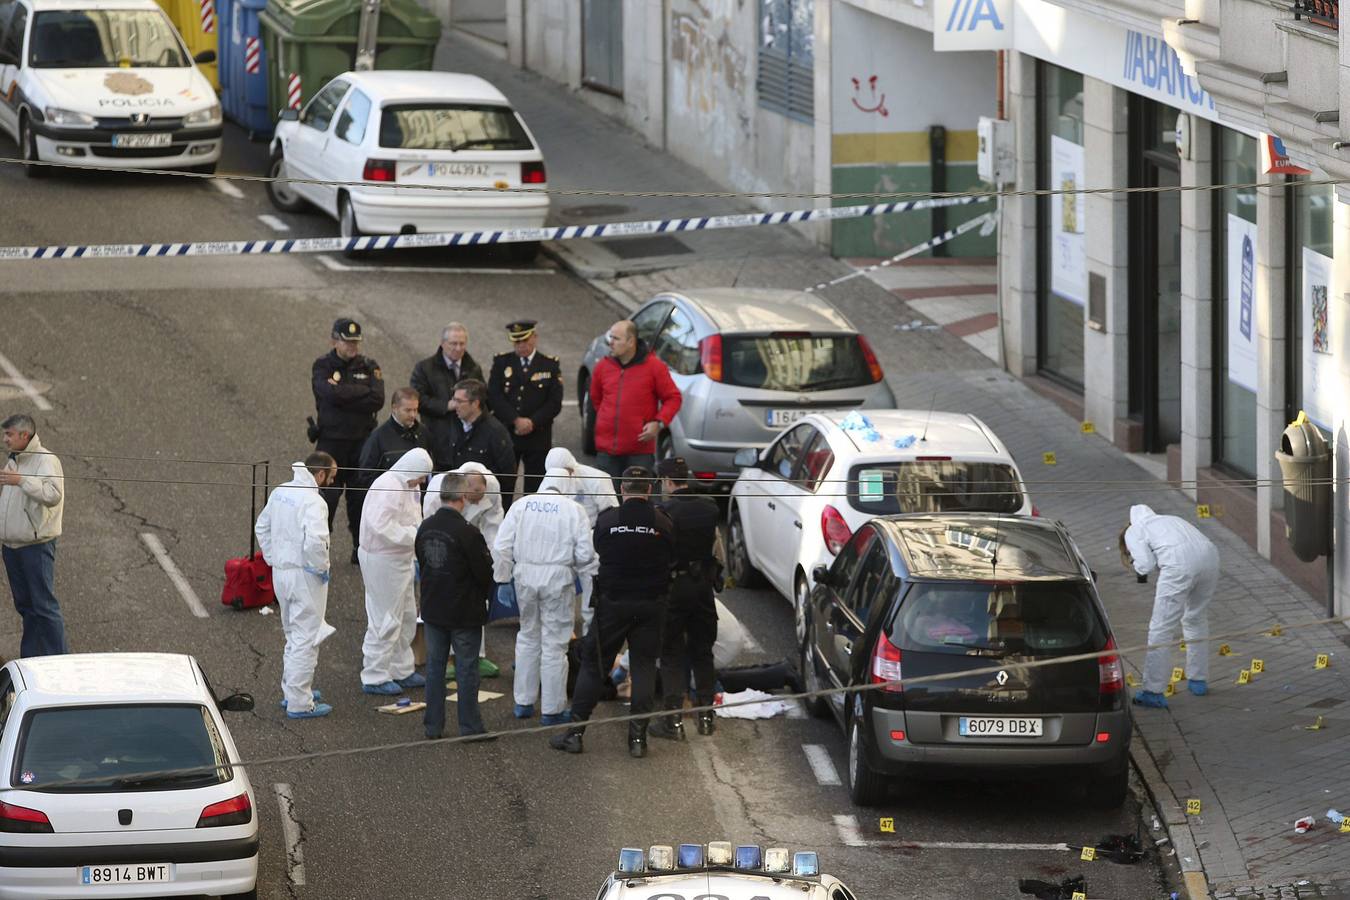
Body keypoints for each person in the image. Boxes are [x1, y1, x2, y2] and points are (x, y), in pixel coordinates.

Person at [550, 466, 675, 758]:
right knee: (644, 667)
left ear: (622, 490)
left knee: (595, 666)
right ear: (648, 490)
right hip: (651, 604)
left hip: (613, 604)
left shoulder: (608, 520)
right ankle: (638, 740)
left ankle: (575, 734)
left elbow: (598, 548)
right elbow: (672, 553)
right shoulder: (663, 522)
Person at [494, 467, 596, 725]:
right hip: (558, 580)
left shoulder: (522, 505)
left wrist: (503, 579)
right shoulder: (574, 510)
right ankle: (552, 708)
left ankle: (523, 702)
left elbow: (502, 545)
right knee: (554, 644)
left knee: (528, 637)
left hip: (524, 578)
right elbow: (585, 554)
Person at [254, 452, 339, 719]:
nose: (332, 482)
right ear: (321, 474)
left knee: (292, 632)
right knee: (307, 637)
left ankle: (292, 690)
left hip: (281, 573)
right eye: (332, 477)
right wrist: (321, 567)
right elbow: (316, 542)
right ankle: (300, 702)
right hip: (305, 575)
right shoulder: (314, 501)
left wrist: (272, 557)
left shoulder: (281, 491)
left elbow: (262, 527)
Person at [416, 472, 495, 741]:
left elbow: (422, 562)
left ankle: (433, 726)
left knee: (435, 667)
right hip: (464, 611)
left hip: (433, 607)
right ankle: (470, 727)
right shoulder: (469, 532)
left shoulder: (425, 527)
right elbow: (484, 573)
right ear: (463, 497)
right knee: (466, 669)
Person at [1120, 503, 1220, 708]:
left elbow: (1145, 565)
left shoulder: (1134, 530)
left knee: (1161, 628)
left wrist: (1136, 564)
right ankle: (1198, 680)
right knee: (1196, 618)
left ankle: (1153, 691)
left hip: (1178, 565)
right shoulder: (1172, 518)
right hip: (1210, 557)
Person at [650, 457, 722, 740]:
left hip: (675, 588)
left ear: (667, 482)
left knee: (671, 654)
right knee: (703, 651)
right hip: (703, 587)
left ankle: (672, 720)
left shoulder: (664, 512)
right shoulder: (710, 507)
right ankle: (706, 716)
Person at [358, 448, 434, 695]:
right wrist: (415, 537)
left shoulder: (409, 484)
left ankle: (401, 668)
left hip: (402, 558)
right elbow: (380, 525)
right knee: (385, 618)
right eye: (422, 475)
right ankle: (375, 675)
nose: (423, 481)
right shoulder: (388, 486)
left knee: (407, 615)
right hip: (383, 559)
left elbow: (414, 518)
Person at [312, 318, 385, 564]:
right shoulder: (322, 366)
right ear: (335, 340)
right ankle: (320, 547)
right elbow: (327, 394)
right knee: (327, 497)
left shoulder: (369, 365)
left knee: (360, 497)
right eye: (347, 341)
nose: (353, 346)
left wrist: (342, 392)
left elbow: (377, 399)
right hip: (331, 443)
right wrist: (359, 392)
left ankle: (359, 547)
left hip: (361, 442)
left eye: (356, 341)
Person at [423, 462, 504, 679]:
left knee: (477, 601)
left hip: (472, 543)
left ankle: (477, 656)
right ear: (462, 492)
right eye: (472, 497)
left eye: (480, 496)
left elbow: (493, 524)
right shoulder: (438, 491)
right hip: (446, 549)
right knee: (447, 602)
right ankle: (449, 658)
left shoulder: (492, 486)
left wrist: (492, 558)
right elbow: (430, 528)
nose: (477, 501)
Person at [0, 415, 66, 657]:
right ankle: (32, 657)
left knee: (44, 606)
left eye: (9, 435)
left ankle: (58, 658)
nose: (5, 439)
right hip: (11, 545)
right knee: (26, 606)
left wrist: (22, 480)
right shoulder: (15, 460)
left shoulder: (45, 461)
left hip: (34, 546)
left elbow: (52, 495)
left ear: (24, 436)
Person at [589, 320, 682, 480]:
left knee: (637, 501)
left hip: (639, 453)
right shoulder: (603, 367)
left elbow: (673, 398)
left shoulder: (654, 367)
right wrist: (606, 421)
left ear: (631, 341)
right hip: (607, 452)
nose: (611, 343)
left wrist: (659, 423)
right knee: (608, 503)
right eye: (611, 338)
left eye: (616, 339)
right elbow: (596, 399)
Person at [488, 320, 564, 506]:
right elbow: (494, 396)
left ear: (535, 338)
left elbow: (554, 403)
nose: (521, 346)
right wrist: (515, 419)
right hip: (508, 433)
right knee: (504, 483)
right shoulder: (501, 363)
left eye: (525, 341)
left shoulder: (549, 365)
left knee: (535, 485)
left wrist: (532, 422)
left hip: (537, 435)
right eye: (517, 342)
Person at [543, 446, 618, 631]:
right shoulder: (550, 481)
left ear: (572, 467)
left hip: (592, 542)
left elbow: (611, 515)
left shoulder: (597, 479)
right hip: (562, 543)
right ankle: (562, 636)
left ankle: (591, 639)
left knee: (592, 595)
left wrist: (595, 540)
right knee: (558, 594)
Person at [411, 323, 485, 469]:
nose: (458, 348)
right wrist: (446, 405)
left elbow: (482, 398)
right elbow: (418, 399)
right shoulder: (425, 368)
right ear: (443, 343)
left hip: (468, 440)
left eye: (462, 343)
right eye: (453, 343)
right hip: (438, 437)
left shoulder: (473, 368)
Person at [439, 379, 516, 482]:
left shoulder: (495, 432)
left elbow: (507, 474)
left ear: (475, 403)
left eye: (459, 401)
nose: (454, 405)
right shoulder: (453, 424)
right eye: (454, 400)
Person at [358, 387, 432, 487]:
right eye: (408, 410)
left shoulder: (423, 433)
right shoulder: (378, 438)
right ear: (394, 408)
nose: (413, 415)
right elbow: (366, 477)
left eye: (415, 410)